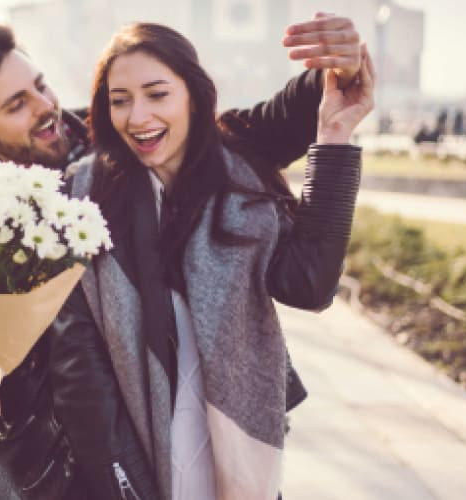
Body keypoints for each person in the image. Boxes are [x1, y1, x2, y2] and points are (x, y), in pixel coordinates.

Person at [0, 16, 364, 498]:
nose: (44, 107)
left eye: (40, 85)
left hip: (195, 413)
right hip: (79, 465)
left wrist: (334, 72)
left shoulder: (118, 136)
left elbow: (247, 133)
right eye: (16, 105)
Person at [49, 22, 373, 500]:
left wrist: (336, 124)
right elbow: (81, 376)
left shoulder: (235, 167)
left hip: (232, 445)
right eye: (120, 100)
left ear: (193, 97)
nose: (138, 117)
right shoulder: (86, 200)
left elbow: (309, 285)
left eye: (157, 94)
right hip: (133, 463)